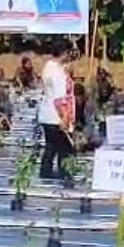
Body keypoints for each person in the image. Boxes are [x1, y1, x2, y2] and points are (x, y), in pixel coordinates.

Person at [37, 40, 74, 179]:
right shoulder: (57, 72)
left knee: (50, 147)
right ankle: (64, 174)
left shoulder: (49, 66)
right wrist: (64, 118)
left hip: (47, 113)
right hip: (56, 116)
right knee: (63, 148)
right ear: (64, 53)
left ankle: (45, 172)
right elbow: (60, 98)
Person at [72, 83, 101, 151]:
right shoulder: (69, 106)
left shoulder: (89, 105)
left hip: (86, 131)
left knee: (95, 140)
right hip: (74, 132)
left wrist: (86, 135)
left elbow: (92, 121)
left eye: (80, 95)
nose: (78, 98)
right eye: (76, 96)